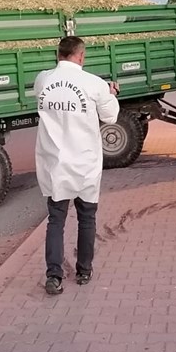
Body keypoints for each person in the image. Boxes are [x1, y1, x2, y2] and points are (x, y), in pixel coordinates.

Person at [33, 36, 120, 295]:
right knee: (86, 218)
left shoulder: (42, 80)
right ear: (81, 56)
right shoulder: (94, 84)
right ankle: (84, 271)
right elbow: (110, 116)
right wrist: (110, 92)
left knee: (56, 220)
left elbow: (56, 92)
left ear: (58, 54)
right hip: (85, 163)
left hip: (54, 163)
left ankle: (54, 276)